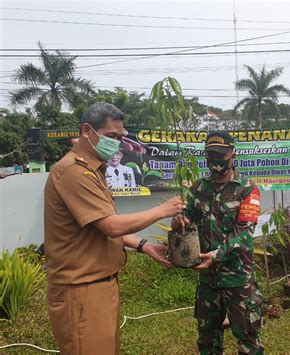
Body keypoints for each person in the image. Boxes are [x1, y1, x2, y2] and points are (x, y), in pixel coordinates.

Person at [44, 102, 185, 354]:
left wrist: (144, 246)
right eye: (111, 136)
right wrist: (162, 210)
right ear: (87, 131)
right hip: (81, 291)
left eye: (120, 138)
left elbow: (103, 227)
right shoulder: (73, 173)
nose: (117, 143)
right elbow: (111, 226)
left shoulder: (93, 170)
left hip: (99, 286)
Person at [171, 131, 264, 355]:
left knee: (248, 341)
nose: (216, 160)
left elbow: (244, 233)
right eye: (211, 154)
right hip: (208, 280)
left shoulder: (247, 189)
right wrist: (180, 220)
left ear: (232, 153)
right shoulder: (199, 188)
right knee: (208, 340)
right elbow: (189, 218)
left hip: (238, 278)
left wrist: (215, 255)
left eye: (221, 154)